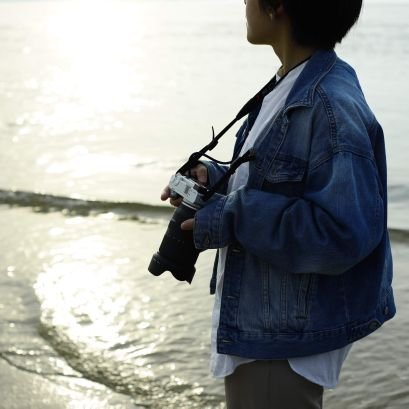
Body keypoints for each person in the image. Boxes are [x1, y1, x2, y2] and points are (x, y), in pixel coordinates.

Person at [161, 0, 396, 407]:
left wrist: (230, 215)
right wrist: (216, 178)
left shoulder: (328, 103)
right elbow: (277, 176)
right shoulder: (292, 82)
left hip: (283, 341)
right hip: (270, 328)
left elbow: (343, 232)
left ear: (279, 7)